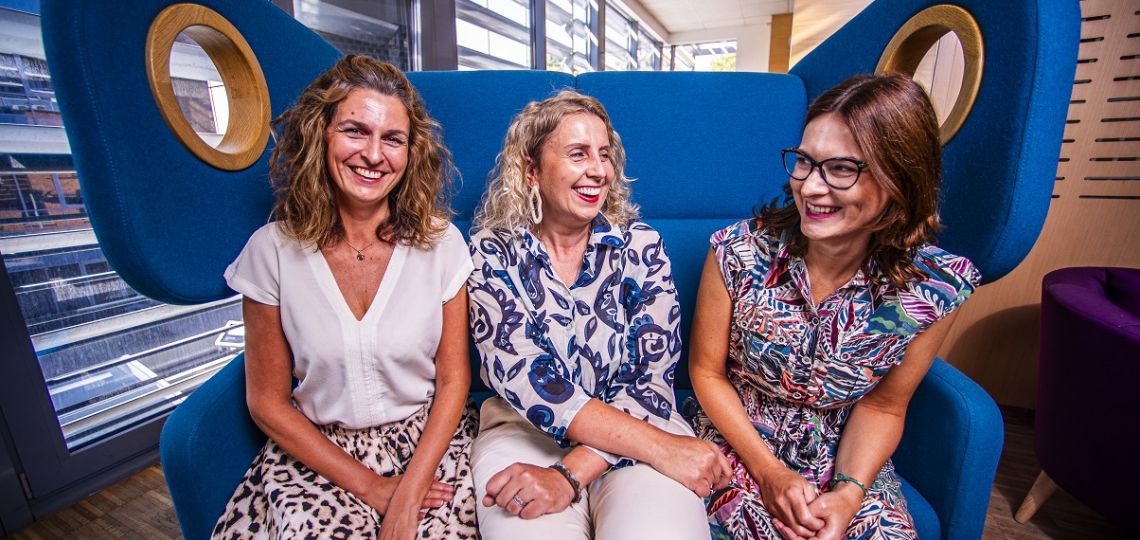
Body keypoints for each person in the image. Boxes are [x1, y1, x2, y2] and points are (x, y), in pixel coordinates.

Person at [686, 73, 981, 540]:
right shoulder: (737, 250)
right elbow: (706, 373)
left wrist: (848, 493)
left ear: (899, 177)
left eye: (841, 169)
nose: (810, 187)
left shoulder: (936, 287)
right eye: (804, 162)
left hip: (845, 457)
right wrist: (768, 474)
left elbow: (884, 407)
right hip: (737, 439)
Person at [211, 55, 477, 540]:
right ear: (321, 135)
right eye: (356, 131)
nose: (374, 155)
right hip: (318, 453)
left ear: (411, 153)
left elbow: (455, 379)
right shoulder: (269, 252)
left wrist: (410, 491)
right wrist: (373, 488)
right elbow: (267, 403)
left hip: (427, 445)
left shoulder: (443, 245)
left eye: (392, 139)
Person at [466, 90, 732, 539]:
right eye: (578, 154)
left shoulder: (642, 247)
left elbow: (649, 380)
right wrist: (656, 450)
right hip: (525, 434)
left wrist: (570, 474)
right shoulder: (491, 253)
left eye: (605, 155)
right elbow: (529, 379)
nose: (598, 170)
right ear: (532, 170)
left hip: (641, 423)